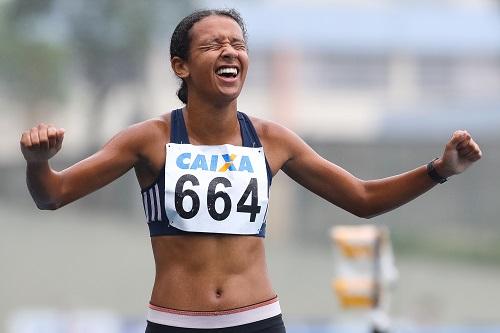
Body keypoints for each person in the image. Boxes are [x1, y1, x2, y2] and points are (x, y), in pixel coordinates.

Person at [20, 8, 482, 333]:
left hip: (257, 322)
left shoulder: (273, 140)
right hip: (175, 322)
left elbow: (360, 199)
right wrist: (39, 163)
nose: (229, 51)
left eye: (238, 45)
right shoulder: (149, 139)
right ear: (180, 65)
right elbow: (53, 195)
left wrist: (439, 169)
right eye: (213, 44)